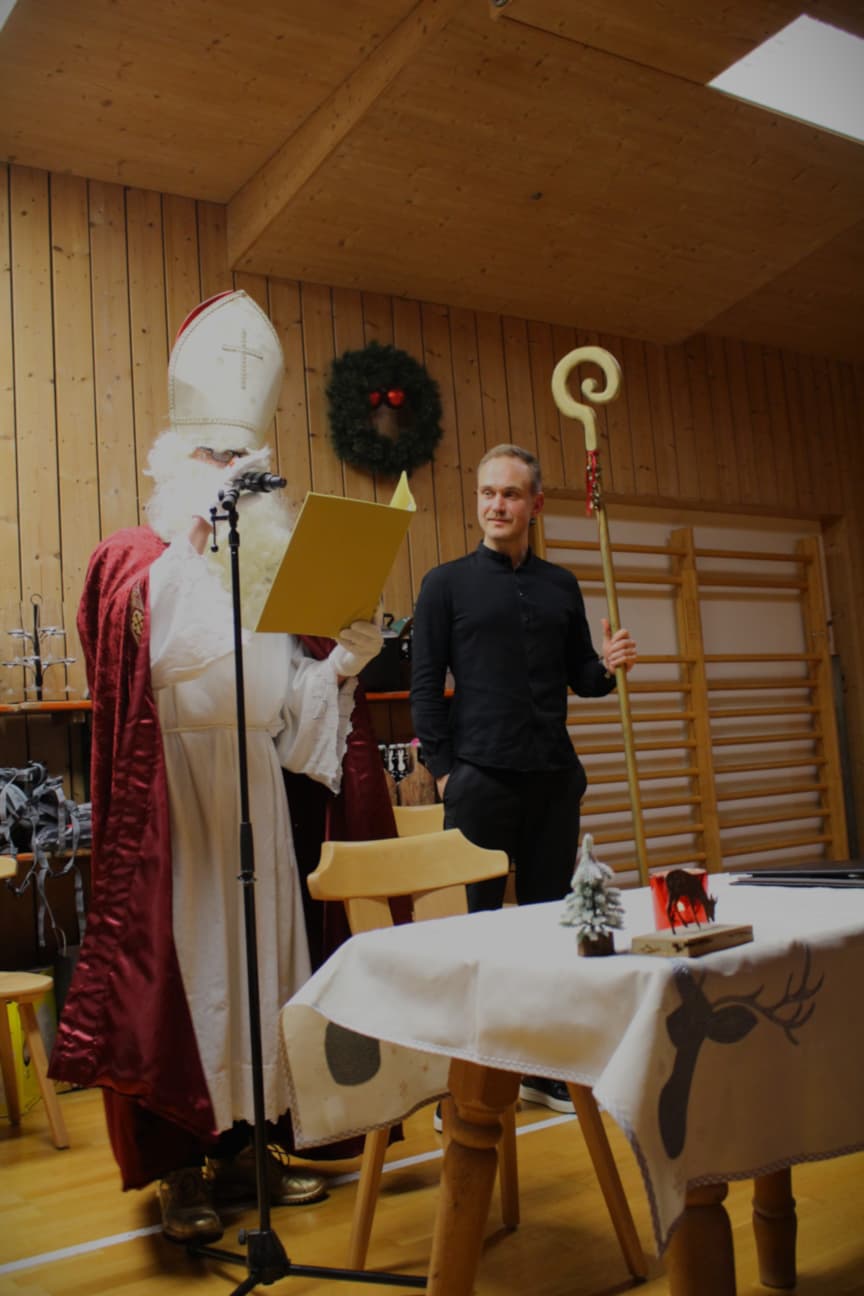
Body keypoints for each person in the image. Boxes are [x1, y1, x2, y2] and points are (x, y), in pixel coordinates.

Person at [49, 291, 389, 1244]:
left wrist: (343, 663)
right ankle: (179, 1168)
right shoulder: (133, 558)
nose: (233, 475)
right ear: (171, 463)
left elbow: (290, 717)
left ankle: (249, 1145)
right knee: (186, 978)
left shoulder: (276, 573)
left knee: (263, 972)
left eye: (245, 461)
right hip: (178, 804)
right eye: (212, 458)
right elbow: (134, 664)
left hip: (255, 794)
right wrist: (195, 542)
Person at [410, 442, 637, 1113]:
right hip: (478, 780)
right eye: (487, 493)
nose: (496, 505)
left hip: (552, 781)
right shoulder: (444, 584)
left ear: (534, 504)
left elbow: (582, 677)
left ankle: (541, 1069)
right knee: (480, 936)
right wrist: (444, 774)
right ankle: (468, 1092)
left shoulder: (559, 585)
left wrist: (609, 665)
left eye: (510, 494)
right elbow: (425, 687)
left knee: (547, 930)